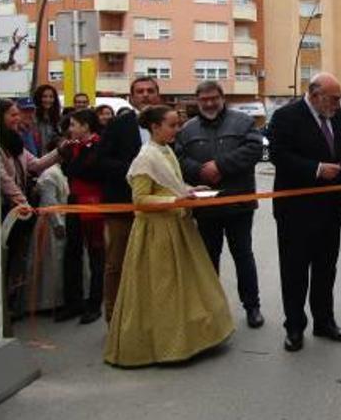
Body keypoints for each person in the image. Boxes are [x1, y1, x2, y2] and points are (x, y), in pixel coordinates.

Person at [104, 105, 234, 367]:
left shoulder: (165, 151)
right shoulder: (145, 157)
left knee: (183, 287)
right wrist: (176, 199)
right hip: (157, 233)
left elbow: (170, 183)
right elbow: (140, 199)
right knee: (162, 290)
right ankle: (163, 345)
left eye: (178, 124)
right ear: (155, 127)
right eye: (172, 125)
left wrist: (189, 189)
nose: (177, 129)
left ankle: (191, 340)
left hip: (176, 226)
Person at [266, 73, 341, 352]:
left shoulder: (338, 119)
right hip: (296, 211)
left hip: (330, 210)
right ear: (315, 95)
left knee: (326, 269)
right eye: (334, 98)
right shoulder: (285, 116)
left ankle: (324, 321)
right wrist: (316, 169)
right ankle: (294, 327)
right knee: (295, 271)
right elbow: (279, 155)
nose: (339, 105)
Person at [175, 81, 264, 328]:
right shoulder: (187, 130)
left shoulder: (243, 121)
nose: (210, 103)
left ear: (222, 97)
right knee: (208, 259)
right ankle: (211, 308)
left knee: (243, 256)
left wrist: (221, 166)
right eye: (204, 99)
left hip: (239, 203)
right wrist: (200, 171)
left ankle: (252, 307)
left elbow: (255, 149)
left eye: (214, 98)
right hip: (206, 207)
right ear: (197, 101)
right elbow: (178, 159)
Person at [98, 77, 161, 323]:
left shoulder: (167, 122)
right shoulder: (118, 125)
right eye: (140, 91)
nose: (145, 95)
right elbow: (102, 161)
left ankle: (148, 317)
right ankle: (113, 317)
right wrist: (136, 170)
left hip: (159, 207)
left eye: (150, 91)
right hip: (123, 205)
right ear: (131, 96)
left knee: (152, 265)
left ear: (158, 94)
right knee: (117, 263)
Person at [0, 99, 63, 329]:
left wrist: (60, 151)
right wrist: (23, 204)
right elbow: (5, 181)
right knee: (4, 260)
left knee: (17, 257)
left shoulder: (16, 143)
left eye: (18, 115)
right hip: (6, 211)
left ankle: (12, 303)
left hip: (20, 211)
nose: (18, 119)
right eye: (12, 115)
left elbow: (35, 164)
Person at [56, 109, 105, 324]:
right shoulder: (72, 147)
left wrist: (72, 161)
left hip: (93, 201)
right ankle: (73, 302)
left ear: (86, 126)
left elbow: (83, 170)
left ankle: (94, 304)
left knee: (96, 253)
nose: (70, 129)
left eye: (74, 125)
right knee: (72, 251)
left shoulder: (97, 145)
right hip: (75, 199)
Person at [30, 137, 69, 313]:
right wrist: (58, 224)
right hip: (51, 222)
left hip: (60, 218)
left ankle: (56, 299)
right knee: (50, 261)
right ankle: (46, 302)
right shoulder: (49, 174)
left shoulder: (59, 171)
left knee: (56, 261)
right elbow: (49, 201)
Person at [33, 84, 61, 157]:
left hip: (51, 159)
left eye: (51, 97)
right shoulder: (33, 118)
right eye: (44, 96)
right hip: (36, 158)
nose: (48, 100)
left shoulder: (56, 118)